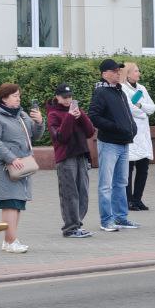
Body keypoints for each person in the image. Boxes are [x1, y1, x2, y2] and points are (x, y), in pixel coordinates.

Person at [0, 82, 44, 253]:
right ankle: (10, 241)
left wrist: (39, 122)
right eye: (15, 96)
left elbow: (35, 136)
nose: (18, 99)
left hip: (20, 167)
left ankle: (9, 240)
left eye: (19, 96)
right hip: (4, 168)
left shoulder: (22, 115)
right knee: (9, 204)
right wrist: (11, 158)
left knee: (17, 203)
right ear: (4, 98)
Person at [88, 58, 139, 233]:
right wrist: (115, 127)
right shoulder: (101, 92)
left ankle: (120, 217)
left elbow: (127, 114)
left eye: (119, 71)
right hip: (109, 143)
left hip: (123, 143)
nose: (118, 73)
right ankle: (106, 220)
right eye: (115, 71)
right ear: (105, 74)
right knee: (106, 185)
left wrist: (132, 128)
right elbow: (94, 116)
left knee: (121, 182)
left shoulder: (119, 91)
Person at [46, 83, 95, 238]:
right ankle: (70, 228)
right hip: (66, 158)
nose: (68, 100)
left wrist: (81, 116)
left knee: (83, 192)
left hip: (81, 155)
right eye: (64, 97)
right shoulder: (53, 114)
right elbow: (61, 137)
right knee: (69, 193)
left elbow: (90, 132)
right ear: (57, 97)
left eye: (70, 97)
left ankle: (77, 224)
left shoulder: (76, 110)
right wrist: (69, 117)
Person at [122, 62, 155, 211]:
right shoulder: (123, 88)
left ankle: (138, 199)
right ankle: (128, 200)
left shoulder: (142, 88)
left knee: (143, 168)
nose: (138, 73)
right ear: (128, 74)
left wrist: (141, 106)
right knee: (128, 169)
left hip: (143, 135)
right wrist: (143, 111)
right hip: (131, 132)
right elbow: (130, 109)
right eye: (135, 71)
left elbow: (152, 108)